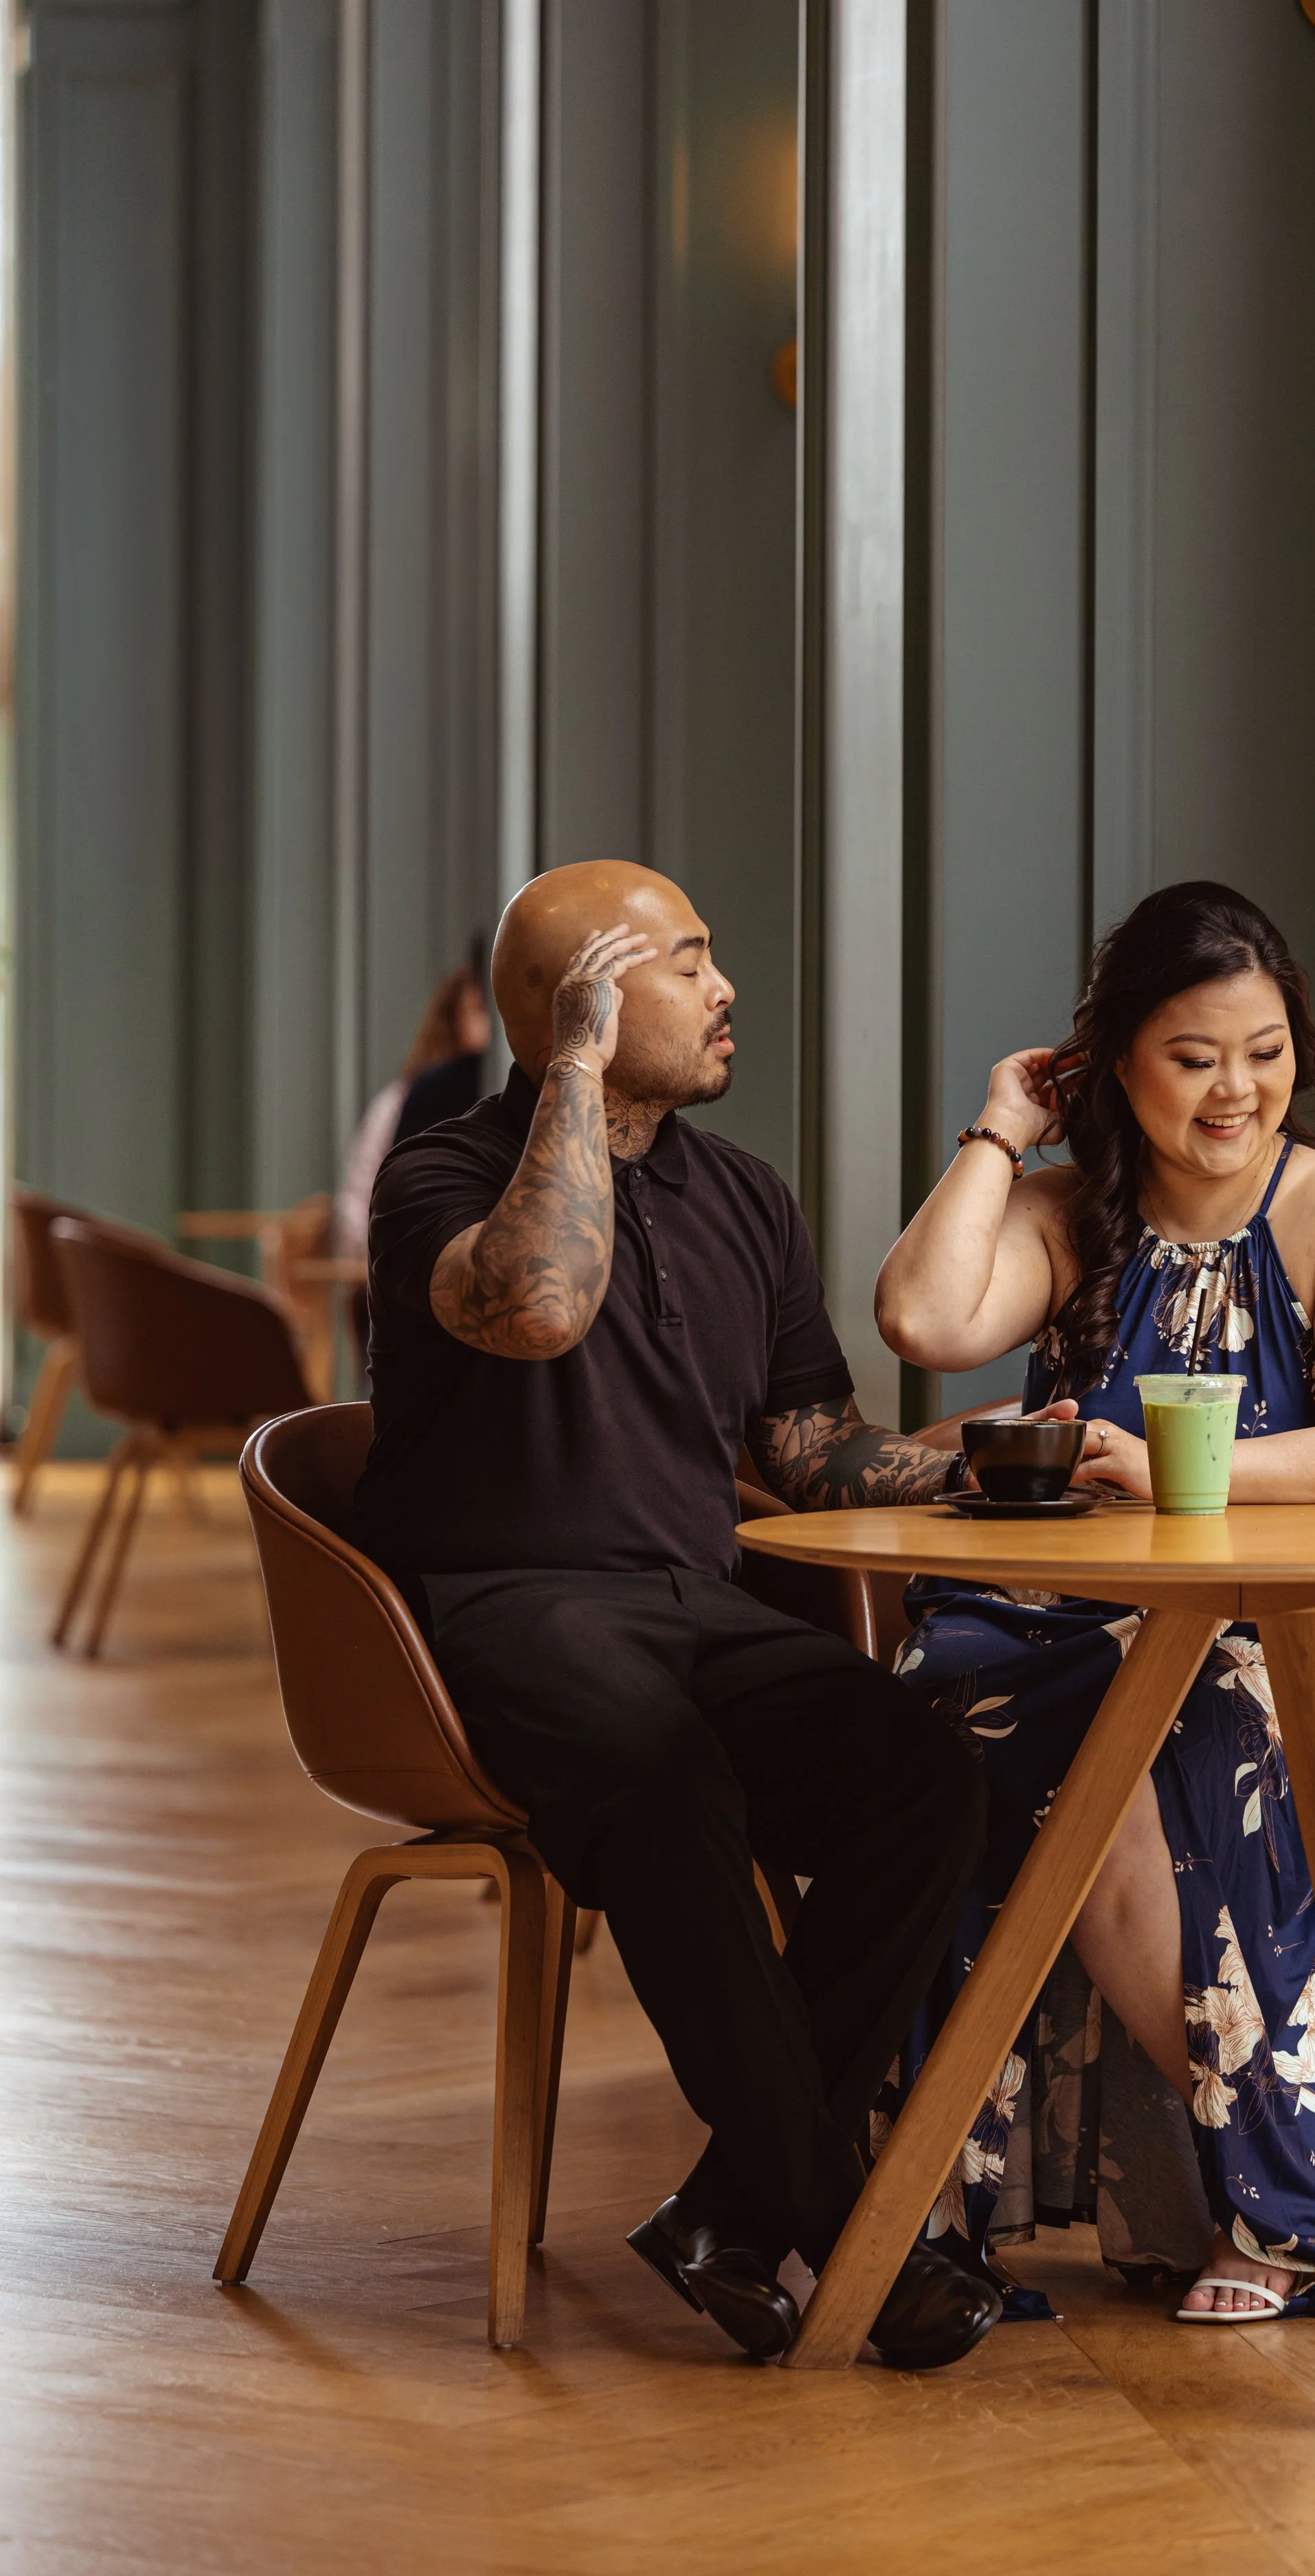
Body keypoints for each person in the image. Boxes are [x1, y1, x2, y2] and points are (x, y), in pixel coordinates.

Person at [354, 859, 1000, 2369]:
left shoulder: (744, 1198)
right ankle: (847, 2222)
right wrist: (573, 1072)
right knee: (663, 1774)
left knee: (925, 1777)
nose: (724, 993)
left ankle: (730, 2206)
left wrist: (991, 1468)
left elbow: (808, 1454)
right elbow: (537, 1306)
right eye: (687, 965)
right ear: (573, 1008)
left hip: (692, 1611)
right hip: (496, 1616)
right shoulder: (444, 1177)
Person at [873, 881, 1315, 2323]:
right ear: (1113, 1063)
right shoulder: (1069, 1215)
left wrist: (1190, 1472)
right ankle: (930, 2211)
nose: (1234, 1089)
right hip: (1047, 1616)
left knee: (1186, 1736)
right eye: (1193, 1056)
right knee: (937, 1727)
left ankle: (1277, 2205)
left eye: (1261, 1052)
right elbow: (924, 1322)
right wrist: (1003, 1127)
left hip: (1275, 1626)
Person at [334, 964, 494, 1261]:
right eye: (482, 1009)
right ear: (453, 1019)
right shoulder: (408, 1098)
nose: (496, 1024)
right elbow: (357, 1204)